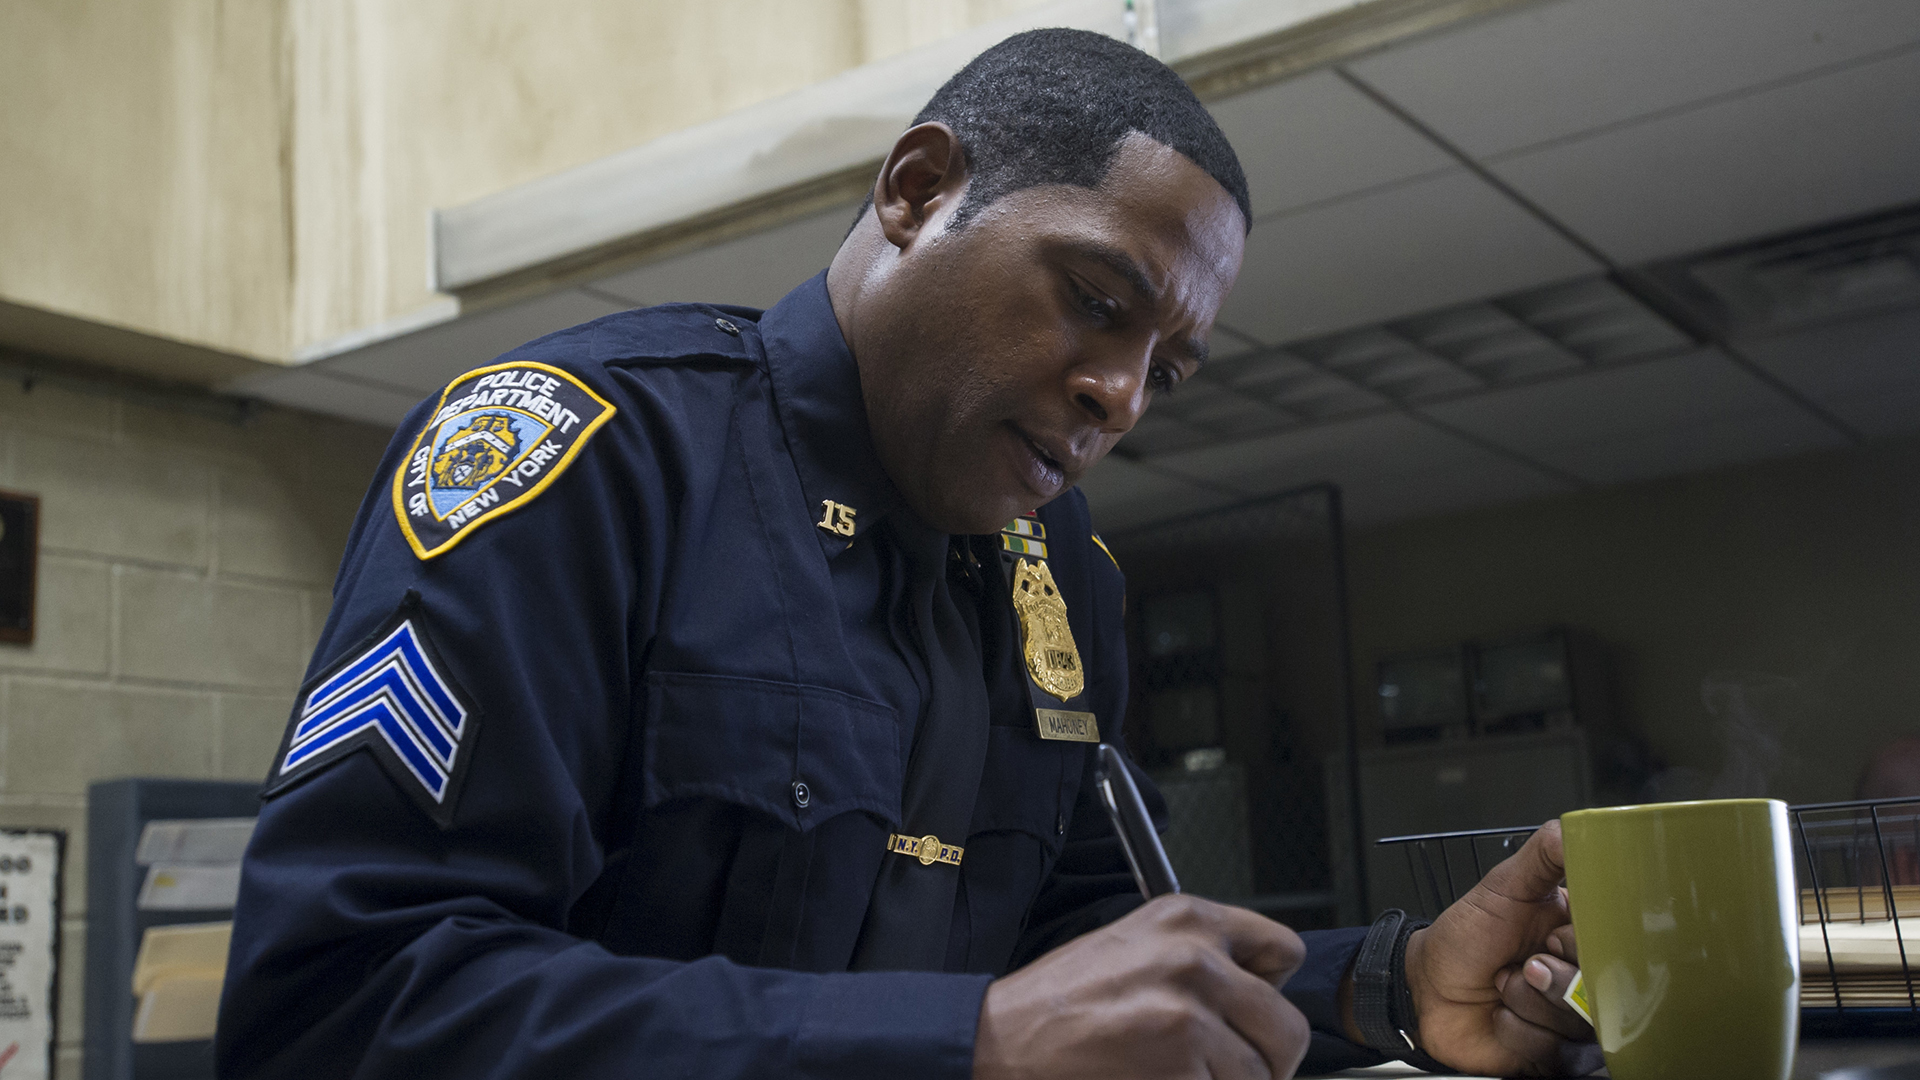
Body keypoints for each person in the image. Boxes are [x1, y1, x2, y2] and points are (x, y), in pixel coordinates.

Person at [217, 29, 1598, 1079]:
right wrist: (969, 1043)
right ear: (918, 190)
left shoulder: (1062, 573)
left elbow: (1102, 961)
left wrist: (1395, 986)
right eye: (1096, 301)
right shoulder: (586, 459)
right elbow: (343, 1001)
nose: (1119, 394)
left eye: (1163, 369)